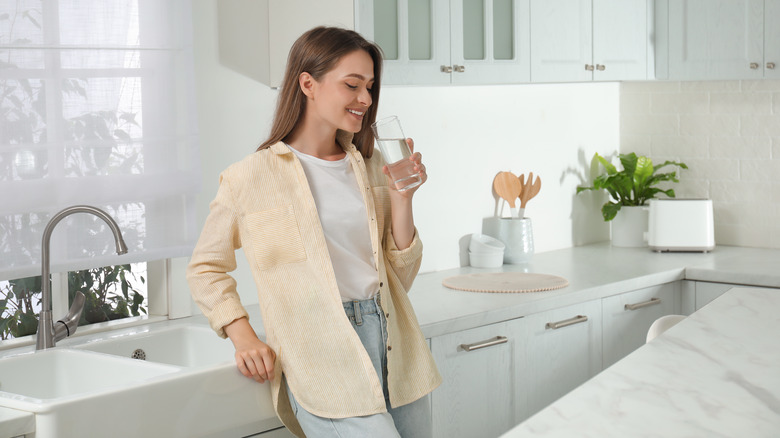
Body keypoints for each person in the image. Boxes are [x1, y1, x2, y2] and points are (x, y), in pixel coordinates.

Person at [186, 26, 441, 438]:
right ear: (308, 83)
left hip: (396, 343)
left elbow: (400, 280)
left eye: (370, 86)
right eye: (352, 85)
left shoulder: (374, 167)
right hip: (321, 357)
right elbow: (205, 268)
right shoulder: (249, 177)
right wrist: (242, 334)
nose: (366, 99)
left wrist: (402, 198)